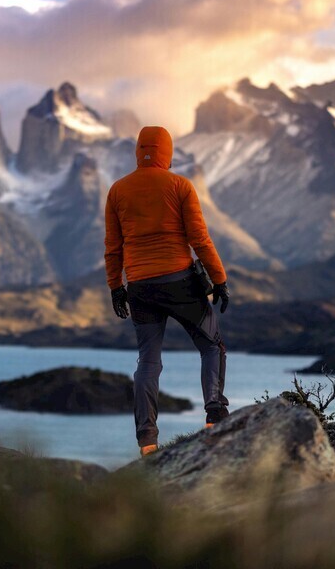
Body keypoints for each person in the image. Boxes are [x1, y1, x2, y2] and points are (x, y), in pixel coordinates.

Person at [104, 125, 231, 457]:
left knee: (148, 361)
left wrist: (116, 288)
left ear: (138, 151)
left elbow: (113, 249)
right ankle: (215, 415)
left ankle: (147, 440)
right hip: (179, 282)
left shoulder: (117, 191)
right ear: (167, 153)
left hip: (140, 288)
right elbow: (200, 240)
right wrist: (219, 280)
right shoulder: (180, 186)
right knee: (211, 345)